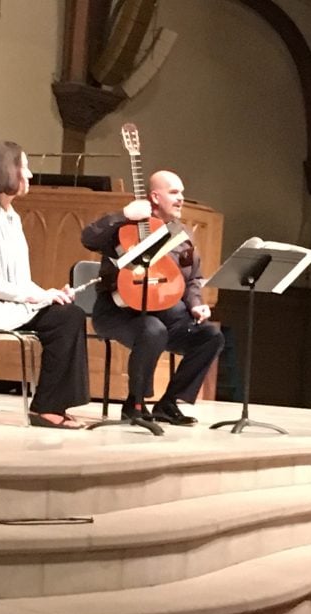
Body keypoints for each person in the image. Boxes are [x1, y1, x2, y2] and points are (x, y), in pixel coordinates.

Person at [0, 140, 89, 429]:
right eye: (24, 167)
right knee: (66, 320)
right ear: (7, 171)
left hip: (7, 302)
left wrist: (48, 294)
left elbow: (20, 280)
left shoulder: (11, 216)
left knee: (69, 312)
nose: (31, 175)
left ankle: (55, 405)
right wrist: (34, 297)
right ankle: (46, 408)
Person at [81, 170, 224, 425]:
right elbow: (88, 237)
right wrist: (122, 215)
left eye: (181, 192)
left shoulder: (182, 235)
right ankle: (134, 405)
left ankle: (168, 403)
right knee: (153, 330)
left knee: (211, 336)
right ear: (155, 197)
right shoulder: (124, 226)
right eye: (174, 192)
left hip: (168, 312)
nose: (181, 198)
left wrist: (197, 305)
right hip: (118, 311)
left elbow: (192, 279)